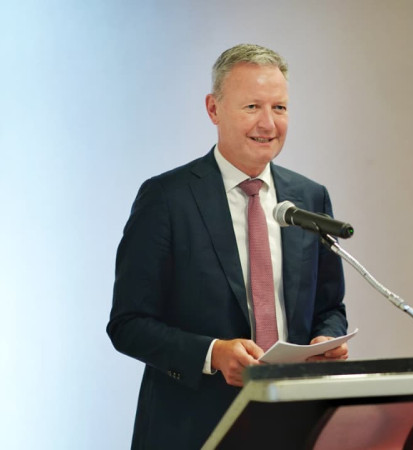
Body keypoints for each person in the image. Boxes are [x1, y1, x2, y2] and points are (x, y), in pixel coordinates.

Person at [107, 43, 349, 449]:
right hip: (194, 430)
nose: (268, 123)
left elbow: (329, 308)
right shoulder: (167, 199)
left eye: (279, 108)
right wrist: (212, 353)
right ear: (213, 109)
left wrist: (325, 341)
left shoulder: (309, 198)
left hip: (293, 425)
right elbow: (128, 324)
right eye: (252, 107)